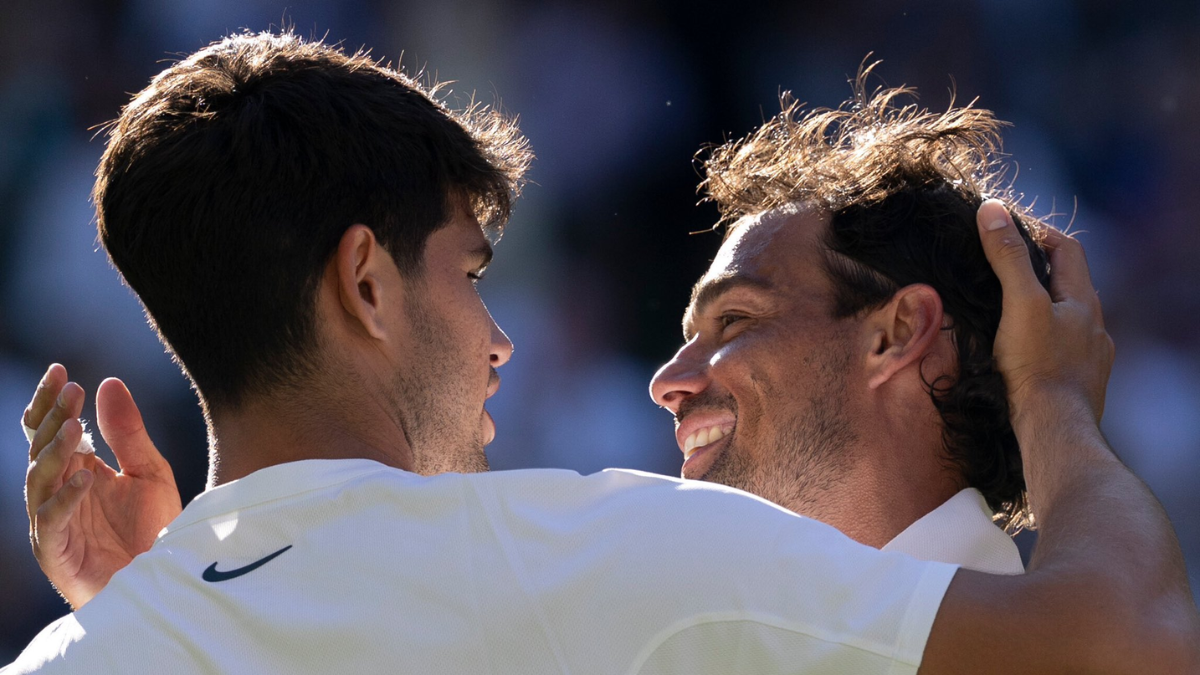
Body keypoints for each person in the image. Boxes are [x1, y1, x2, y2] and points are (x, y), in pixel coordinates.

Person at [10, 31, 1199, 674]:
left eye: (729, 323)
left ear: (904, 338)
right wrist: (1055, 400)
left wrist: (173, 608)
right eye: (471, 277)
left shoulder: (86, 651)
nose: (499, 339)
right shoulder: (603, 556)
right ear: (366, 283)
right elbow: (1128, 648)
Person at [649, 75, 1045, 574]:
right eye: (691, 338)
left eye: (734, 320)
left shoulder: (1053, 645)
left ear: (897, 332)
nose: (665, 384)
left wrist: (1059, 400)